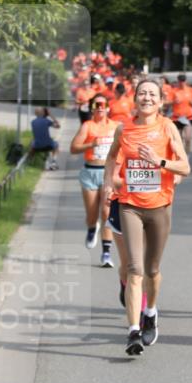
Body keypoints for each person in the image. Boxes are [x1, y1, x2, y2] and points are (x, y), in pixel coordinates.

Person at [103, 79, 190, 355]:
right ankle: (133, 332)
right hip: (130, 205)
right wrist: (109, 181)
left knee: (152, 270)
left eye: (152, 94)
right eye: (142, 93)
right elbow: (111, 157)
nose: (147, 98)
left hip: (160, 206)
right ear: (135, 99)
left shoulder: (167, 127)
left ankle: (150, 311)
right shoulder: (123, 128)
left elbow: (185, 167)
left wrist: (159, 162)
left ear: (160, 101)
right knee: (134, 269)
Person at [69, 95, 117, 264]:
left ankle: (106, 253)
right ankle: (91, 227)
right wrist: (91, 144)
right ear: (92, 108)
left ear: (108, 107)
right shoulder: (87, 126)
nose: (100, 107)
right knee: (92, 215)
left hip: (108, 174)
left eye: (103, 104)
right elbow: (73, 148)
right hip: (90, 172)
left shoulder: (116, 126)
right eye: (96, 104)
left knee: (106, 212)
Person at [168, 73, 192, 153]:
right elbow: (167, 102)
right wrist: (173, 101)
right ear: (178, 81)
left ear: (186, 81)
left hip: (188, 117)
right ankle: (180, 155)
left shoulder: (191, 90)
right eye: (180, 81)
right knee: (179, 140)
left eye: (183, 81)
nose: (182, 83)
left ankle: (187, 156)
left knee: (188, 139)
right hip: (176, 118)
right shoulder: (174, 91)